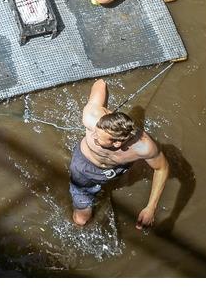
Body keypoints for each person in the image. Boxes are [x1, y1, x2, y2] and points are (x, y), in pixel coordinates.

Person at [70, 79, 170, 229]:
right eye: (94, 132)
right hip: (83, 167)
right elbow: (101, 83)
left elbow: (162, 168)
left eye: (98, 139)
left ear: (117, 143)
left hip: (116, 169)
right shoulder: (91, 116)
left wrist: (151, 207)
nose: (92, 136)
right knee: (81, 220)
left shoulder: (143, 147)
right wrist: (107, 112)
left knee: (139, 168)